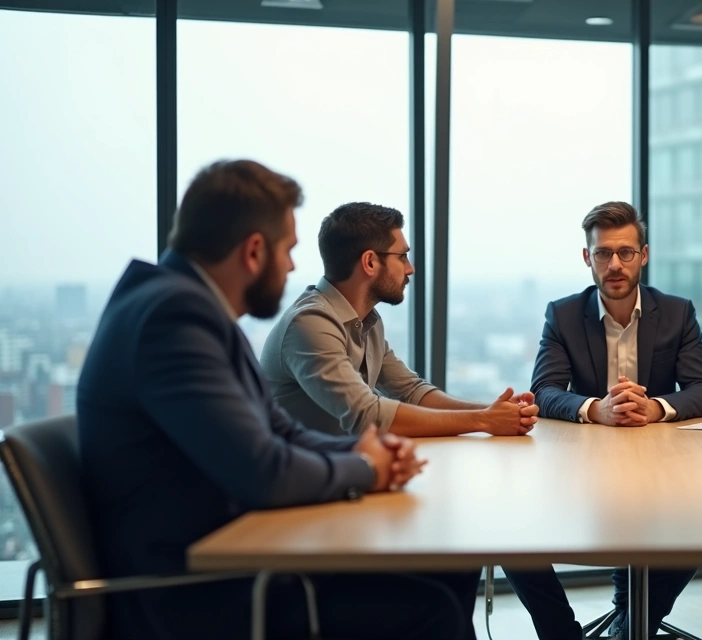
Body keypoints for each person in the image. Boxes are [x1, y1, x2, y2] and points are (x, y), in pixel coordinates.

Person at [77, 160, 480, 640]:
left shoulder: (187, 308)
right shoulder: (174, 319)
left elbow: (279, 430)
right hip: (195, 587)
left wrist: (361, 453)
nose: (292, 265)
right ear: (253, 251)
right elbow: (264, 470)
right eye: (287, 250)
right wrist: (368, 469)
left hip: (240, 547)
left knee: (451, 567)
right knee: (430, 610)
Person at [507, 201, 702, 640]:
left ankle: (629, 626)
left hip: (660, 470)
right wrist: (596, 409)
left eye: (626, 252)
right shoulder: (564, 315)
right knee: (510, 537)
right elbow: (545, 390)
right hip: (580, 470)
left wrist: (655, 408)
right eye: (603, 253)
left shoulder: (677, 312)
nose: (615, 264)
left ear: (644, 255)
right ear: (588, 258)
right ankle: (562, 633)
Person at [261, 201, 538, 438]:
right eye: (402, 256)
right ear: (370, 262)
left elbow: (410, 391)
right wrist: (484, 421)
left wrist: (492, 410)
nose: (410, 268)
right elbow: (367, 414)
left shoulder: (367, 321)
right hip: (298, 488)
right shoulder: (310, 323)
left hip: (340, 469)